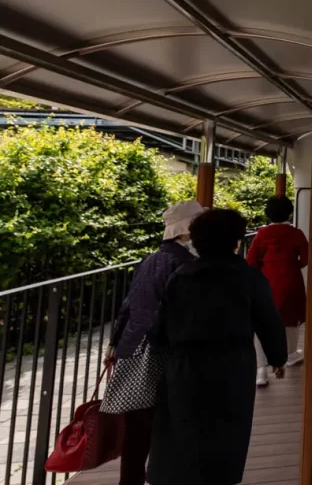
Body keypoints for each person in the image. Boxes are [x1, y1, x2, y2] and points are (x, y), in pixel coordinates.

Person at [146, 209, 287, 485]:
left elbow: (159, 328)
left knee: (183, 431)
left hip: (184, 366)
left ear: (196, 241)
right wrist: (277, 358)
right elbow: (268, 320)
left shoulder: (182, 276)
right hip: (231, 366)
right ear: (236, 242)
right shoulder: (249, 278)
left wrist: (163, 352)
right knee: (226, 435)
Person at [102, 200, 205, 485]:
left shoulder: (151, 259)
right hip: (161, 351)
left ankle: (130, 480)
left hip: (133, 347)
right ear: (187, 232)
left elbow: (130, 303)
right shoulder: (185, 264)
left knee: (137, 427)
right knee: (168, 422)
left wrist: (114, 343)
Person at [245, 195, 308, 386]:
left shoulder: (262, 235)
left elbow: (251, 261)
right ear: (289, 212)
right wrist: (292, 264)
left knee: (262, 322)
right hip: (291, 278)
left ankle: (261, 371)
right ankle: (290, 354)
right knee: (291, 319)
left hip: (266, 280)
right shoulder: (296, 234)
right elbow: (305, 258)